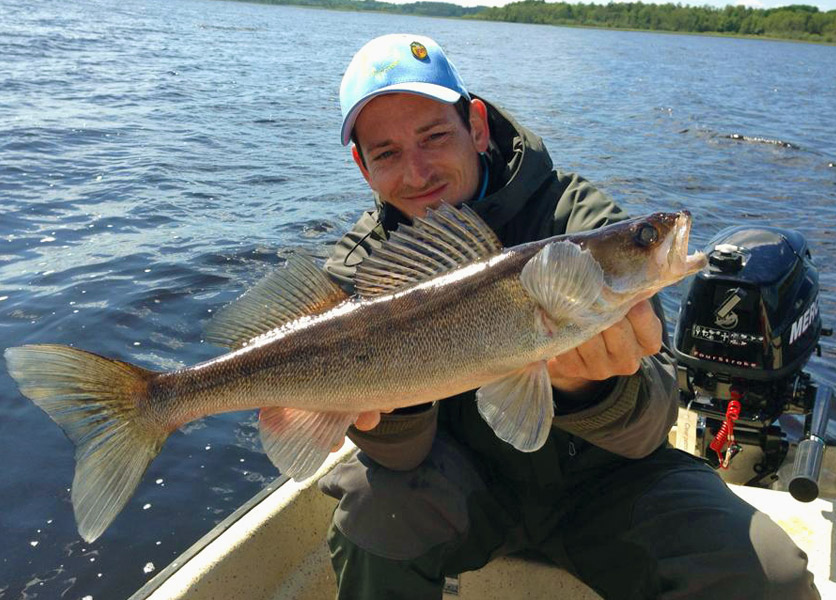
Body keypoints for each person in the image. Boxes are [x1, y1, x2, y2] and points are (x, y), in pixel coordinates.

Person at [314, 34, 819, 599]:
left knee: (771, 576)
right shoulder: (359, 275)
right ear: (362, 166)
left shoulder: (578, 219)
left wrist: (588, 390)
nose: (417, 172)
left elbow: (652, 424)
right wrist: (390, 405)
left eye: (434, 136)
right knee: (368, 515)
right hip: (462, 487)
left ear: (477, 127)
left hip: (605, 482)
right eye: (386, 153)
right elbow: (399, 457)